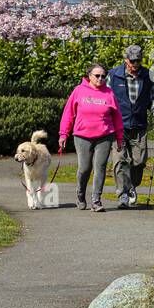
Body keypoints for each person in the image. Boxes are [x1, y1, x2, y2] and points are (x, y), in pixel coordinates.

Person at [58, 63, 124, 213]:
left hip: (105, 136)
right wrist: (63, 134)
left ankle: (96, 200)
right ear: (89, 76)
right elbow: (69, 113)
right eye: (97, 76)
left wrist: (119, 138)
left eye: (103, 76)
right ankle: (81, 194)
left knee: (100, 167)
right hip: (82, 136)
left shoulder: (109, 93)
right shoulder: (79, 91)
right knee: (84, 168)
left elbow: (117, 117)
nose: (100, 79)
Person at [107, 44, 154, 209]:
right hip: (119, 126)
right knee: (120, 161)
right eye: (132, 61)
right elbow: (107, 99)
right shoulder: (113, 75)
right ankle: (123, 195)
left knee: (139, 162)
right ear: (125, 59)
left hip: (139, 125)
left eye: (138, 60)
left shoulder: (148, 76)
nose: (135, 64)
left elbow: (153, 99)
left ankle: (131, 185)